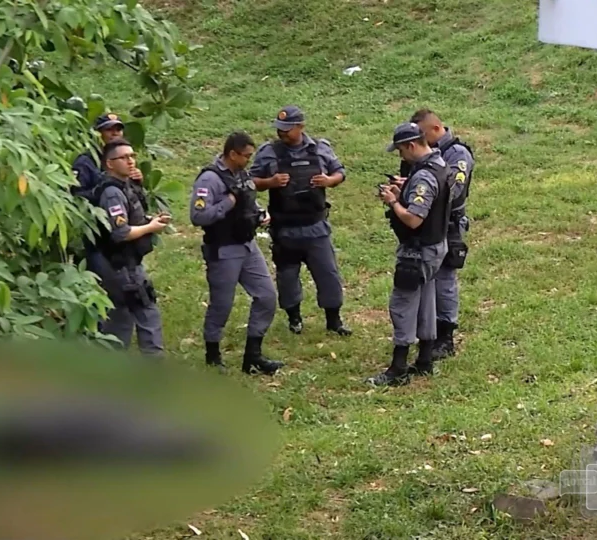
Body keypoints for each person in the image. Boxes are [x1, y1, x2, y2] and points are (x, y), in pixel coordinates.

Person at [249, 105, 351, 337]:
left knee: (328, 275)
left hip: (316, 226)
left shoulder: (320, 148)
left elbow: (340, 172)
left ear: (301, 127)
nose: (282, 133)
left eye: (287, 129)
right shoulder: (268, 152)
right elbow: (249, 181)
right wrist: (270, 182)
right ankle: (294, 318)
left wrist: (329, 180)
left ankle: (334, 320)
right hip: (285, 229)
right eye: (279, 129)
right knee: (287, 277)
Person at [189, 131, 283, 376]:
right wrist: (229, 201)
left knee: (266, 296)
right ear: (232, 154)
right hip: (223, 248)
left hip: (247, 245)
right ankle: (213, 354)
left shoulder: (241, 173)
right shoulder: (210, 179)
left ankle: (253, 355)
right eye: (246, 156)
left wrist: (259, 214)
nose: (249, 161)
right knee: (222, 304)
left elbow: (248, 199)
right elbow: (198, 216)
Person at [366, 122, 452, 387]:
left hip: (418, 251)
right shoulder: (438, 164)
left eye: (401, 151)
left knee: (403, 305)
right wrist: (407, 187)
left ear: (412, 145)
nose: (401, 156)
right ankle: (425, 360)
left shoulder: (424, 176)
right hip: (436, 246)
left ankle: (398, 368)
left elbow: (414, 219)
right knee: (426, 300)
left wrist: (392, 201)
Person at [87, 138, 170, 356]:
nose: (131, 161)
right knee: (144, 311)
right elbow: (121, 233)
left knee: (119, 318)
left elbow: (129, 219)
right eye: (124, 158)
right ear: (109, 164)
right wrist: (151, 227)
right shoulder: (112, 192)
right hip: (121, 264)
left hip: (124, 262)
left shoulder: (126, 186)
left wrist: (150, 220)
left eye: (132, 156)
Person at [409, 109, 475, 360]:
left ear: (436, 129)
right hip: (426, 222)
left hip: (448, 223)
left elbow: (455, 190)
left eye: (423, 135)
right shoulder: (422, 154)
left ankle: (445, 336)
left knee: (444, 279)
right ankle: (427, 330)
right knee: (425, 276)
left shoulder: (457, 154)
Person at [71, 113, 142, 197]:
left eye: (118, 130)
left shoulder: (126, 158)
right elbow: (76, 195)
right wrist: (101, 191)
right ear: (97, 133)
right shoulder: (85, 161)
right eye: (109, 129)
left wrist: (137, 182)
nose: (115, 133)